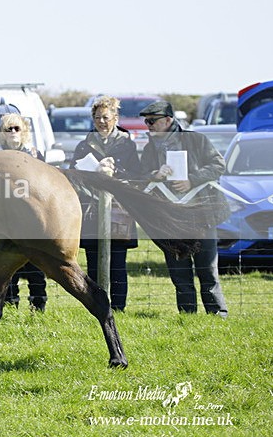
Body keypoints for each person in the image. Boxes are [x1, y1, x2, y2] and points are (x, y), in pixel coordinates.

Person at [139, 100, 230, 317]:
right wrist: (155, 175)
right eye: (146, 122)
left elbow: (218, 165)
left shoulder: (197, 139)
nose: (148, 126)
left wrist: (193, 180)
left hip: (201, 215)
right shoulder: (150, 149)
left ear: (168, 120)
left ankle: (218, 314)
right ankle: (187, 316)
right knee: (179, 274)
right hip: (171, 220)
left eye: (152, 121)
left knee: (207, 270)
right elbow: (141, 177)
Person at [71, 96, 142, 311]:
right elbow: (74, 174)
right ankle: (97, 306)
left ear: (116, 118)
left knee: (118, 264)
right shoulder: (84, 145)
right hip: (92, 209)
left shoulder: (127, 145)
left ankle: (119, 308)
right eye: (97, 117)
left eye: (106, 117)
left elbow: (137, 175)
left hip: (118, 209)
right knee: (93, 262)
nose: (102, 121)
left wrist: (115, 170)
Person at [0, 114, 47, 311]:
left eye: (16, 128)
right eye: (8, 129)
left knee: (36, 264)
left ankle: (38, 304)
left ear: (24, 132)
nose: (13, 133)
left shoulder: (35, 155)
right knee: (6, 263)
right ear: (1, 134)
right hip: (3, 219)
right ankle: (10, 303)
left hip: (30, 219)